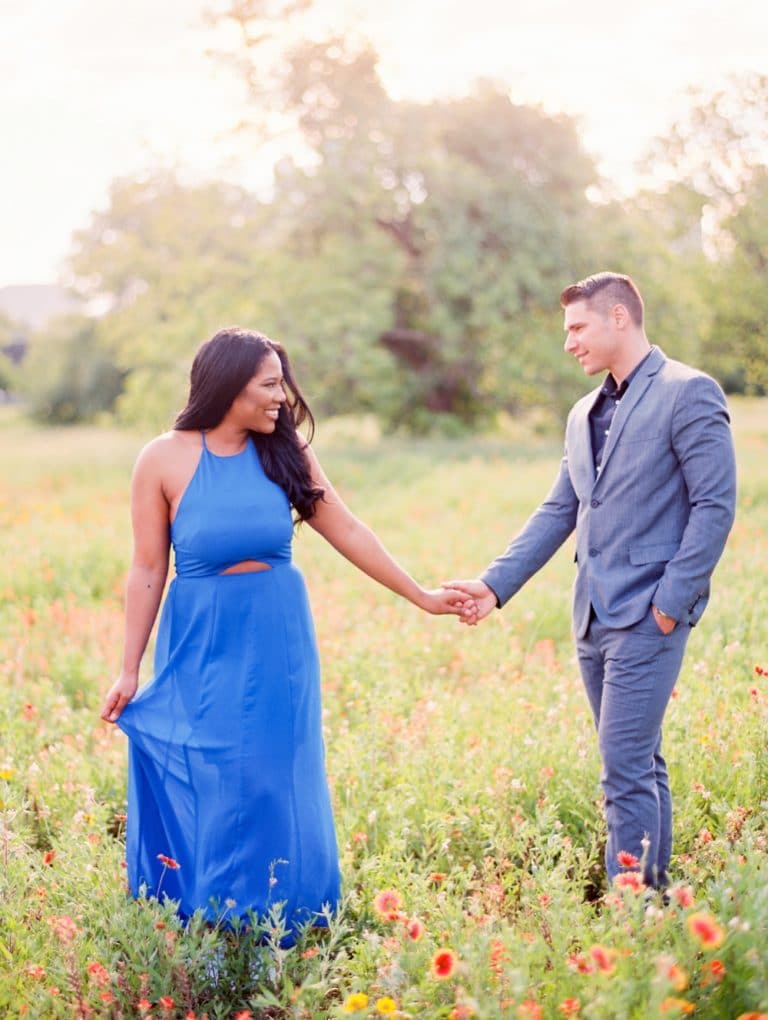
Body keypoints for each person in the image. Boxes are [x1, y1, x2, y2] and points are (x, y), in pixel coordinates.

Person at [101, 326, 473, 939]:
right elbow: (147, 567)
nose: (283, 397)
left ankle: (283, 914)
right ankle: (216, 917)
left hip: (277, 636)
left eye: (282, 382)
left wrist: (423, 596)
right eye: (269, 385)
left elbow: (347, 527)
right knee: (215, 771)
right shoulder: (162, 458)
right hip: (201, 637)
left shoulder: (285, 449)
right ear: (227, 387)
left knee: (275, 773)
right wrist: (128, 668)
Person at [447, 272, 736, 890]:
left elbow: (715, 506)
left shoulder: (689, 392)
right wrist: (493, 587)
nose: (569, 342)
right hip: (591, 618)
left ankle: (632, 915)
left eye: (578, 328)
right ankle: (653, 906)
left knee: (623, 768)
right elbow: (560, 510)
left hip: (649, 615)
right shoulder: (583, 413)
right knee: (639, 763)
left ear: (619, 319)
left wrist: (670, 604)